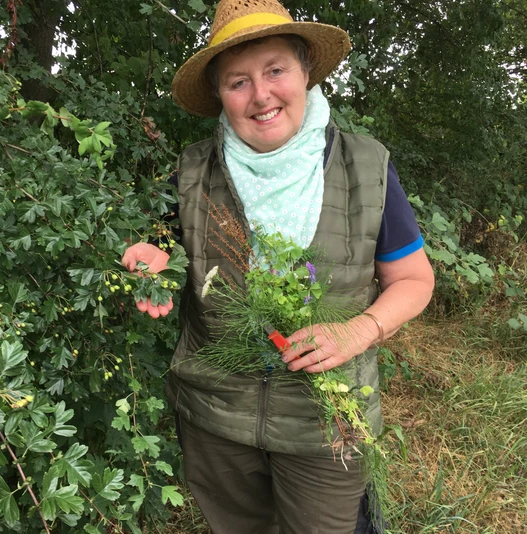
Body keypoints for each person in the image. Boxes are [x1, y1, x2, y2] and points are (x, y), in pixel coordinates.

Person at [122, 0, 435, 532]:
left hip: (324, 427)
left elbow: (413, 279)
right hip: (215, 418)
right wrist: (151, 266)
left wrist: (359, 329)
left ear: (306, 73)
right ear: (220, 94)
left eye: (275, 71)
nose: (261, 95)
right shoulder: (194, 169)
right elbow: (163, 249)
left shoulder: (365, 166)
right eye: (238, 81)